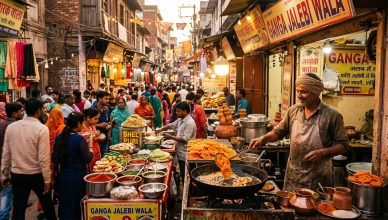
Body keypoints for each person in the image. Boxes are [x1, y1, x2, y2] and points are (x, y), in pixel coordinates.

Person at [249, 73, 348, 191]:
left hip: (318, 179)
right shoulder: (293, 111)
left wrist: (323, 153)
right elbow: (278, 132)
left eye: (304, 92)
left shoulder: (332, 116)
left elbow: (343, 145)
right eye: (298, 91)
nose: (299, 95)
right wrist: (263, 138)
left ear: (316, 93)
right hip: (293, 176)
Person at [1, 98, 56, 220]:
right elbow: (44, 157)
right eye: (42, 109)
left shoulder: (12, 127)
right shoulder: (41, 128)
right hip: (36, 174)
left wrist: (4, 174)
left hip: (17, 174)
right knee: (47, 206)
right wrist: (47, 179)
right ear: (39, 111)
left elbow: (6, 153)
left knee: (18, 208)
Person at [53, 112, 93, 219]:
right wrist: (90, 145)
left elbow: (55, 158)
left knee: (66, 204)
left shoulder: (59, 137)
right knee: (76, 205)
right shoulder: (78, 139)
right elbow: (88, 158)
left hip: (64, 176)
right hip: (77, 178)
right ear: (79, 124)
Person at [157, 102, 196, 183]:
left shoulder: (189, 123)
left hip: (186, 153)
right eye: (176, 111)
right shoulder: (181, 119)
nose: (176, 113)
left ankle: (189, 192)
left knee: (186, 173)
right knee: (183, 172)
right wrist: (160, 129)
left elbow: (185, 139)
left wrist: (170, 137)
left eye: (178, 111)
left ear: (185, 111)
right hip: (180, 151)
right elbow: (171, 125)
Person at [0, 103, 24, 220]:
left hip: (5, 165)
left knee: (7, 194)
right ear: (15, 114)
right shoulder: (15, 127)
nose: (23, 113)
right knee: (8, 196)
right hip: (12, 167)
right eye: (21, 111)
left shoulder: (2, 124)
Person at [93, 91, 111, 155]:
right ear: (100, 99)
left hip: (105, 138)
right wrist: (99, 125)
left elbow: (108, 121)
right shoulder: (93, 110)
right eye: (106, 99)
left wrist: (109, 128)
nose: (108, 100)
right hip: (96, 139)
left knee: (104, 157)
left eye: (108, 99)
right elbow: (87, 124)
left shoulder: (106, 109)